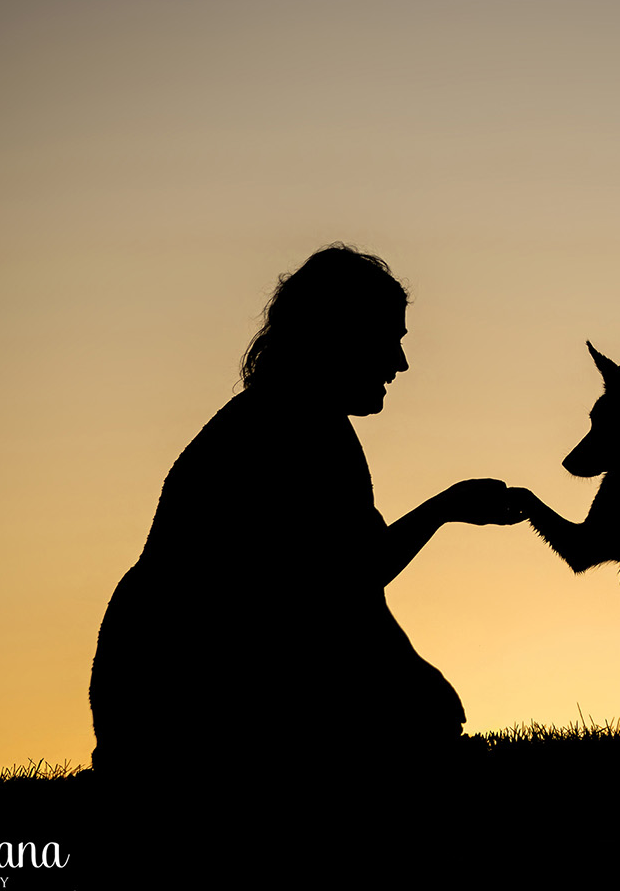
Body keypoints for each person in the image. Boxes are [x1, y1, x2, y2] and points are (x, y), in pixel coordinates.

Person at [88, 244, 525, 774]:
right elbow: (345, 582)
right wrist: (445, 508)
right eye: (390, 339)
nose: (401, 362)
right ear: (342, 335)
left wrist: (409, 672)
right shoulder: (289, 429)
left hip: (155, 697)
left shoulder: (297, 421)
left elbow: (344, 588)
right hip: (186, 702)